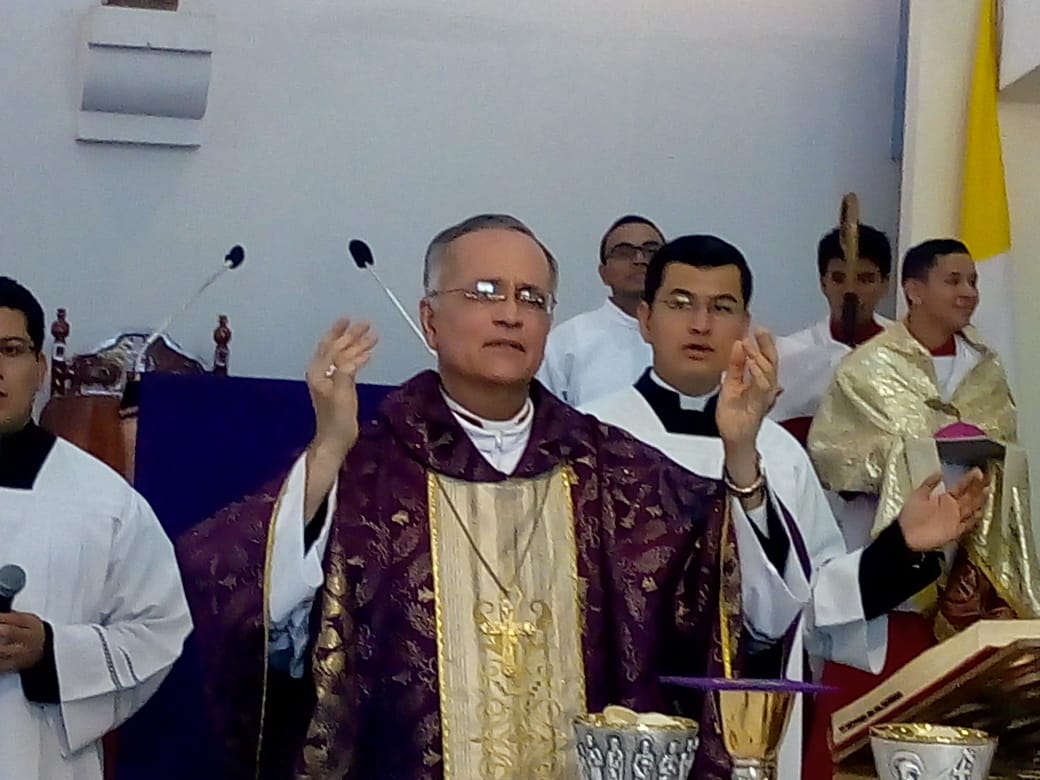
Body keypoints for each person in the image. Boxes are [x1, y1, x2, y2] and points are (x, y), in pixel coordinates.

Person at [180, 214, 817, 780]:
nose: (510, 313)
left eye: (532, 298)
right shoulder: (368, 471)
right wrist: (326, 452)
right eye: (484, 293)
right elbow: (238, 599)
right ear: (430, 319)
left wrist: (739, 452)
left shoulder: (616, 474)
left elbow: (743, 615)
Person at [582, 236, 987, 780]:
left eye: (721, 308)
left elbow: (809, 608)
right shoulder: (587, 439)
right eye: (682, 303)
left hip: (748, 739)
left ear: (744, 325)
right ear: (646, 318)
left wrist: (898, 548)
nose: (701, 324)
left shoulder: (778, 452)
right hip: (615, 714)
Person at [806, 239, 1040, 777]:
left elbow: (1007, 442)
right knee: (871, 729)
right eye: (954, 280)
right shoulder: (867, 369)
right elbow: (832, 454)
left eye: (973, 282)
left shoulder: (986, 369)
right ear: (913, 290)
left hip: (971, 570)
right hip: (895, 585)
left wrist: (985, 455)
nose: (968, 293)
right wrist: (913, 455)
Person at [0, 277, 191, 780]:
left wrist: (51, 652)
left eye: (10, 350)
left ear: (40, 369)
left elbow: (161, 632)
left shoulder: (104, 503)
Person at [771, 224, 894, 446]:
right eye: (839, 278)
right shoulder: (791, 355)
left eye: (865, 279)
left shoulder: (907, 350)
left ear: (885, 284)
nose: (851, 292)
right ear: (822, 282)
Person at [537, 215, 663, 405]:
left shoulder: (694, 335)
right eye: (624, 252)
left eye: (651, 252)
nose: (640, 260)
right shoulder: (568, 341)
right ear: (604, 273)